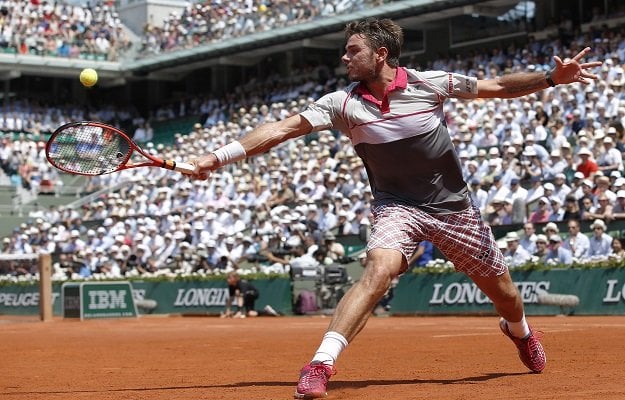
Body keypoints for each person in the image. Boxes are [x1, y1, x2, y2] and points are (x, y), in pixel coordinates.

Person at [188, 18, 601, 399]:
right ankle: (320, 364)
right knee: (378, 268)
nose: (344, 58)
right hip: (396, 206)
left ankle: (520, 332)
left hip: (453, 209)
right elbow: (282, 129)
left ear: (379, 54)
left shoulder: (430, 84)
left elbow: (497, 87)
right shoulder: (341, 103)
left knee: (506, 296)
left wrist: (550, 79)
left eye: (352, 51)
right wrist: (217, 157)